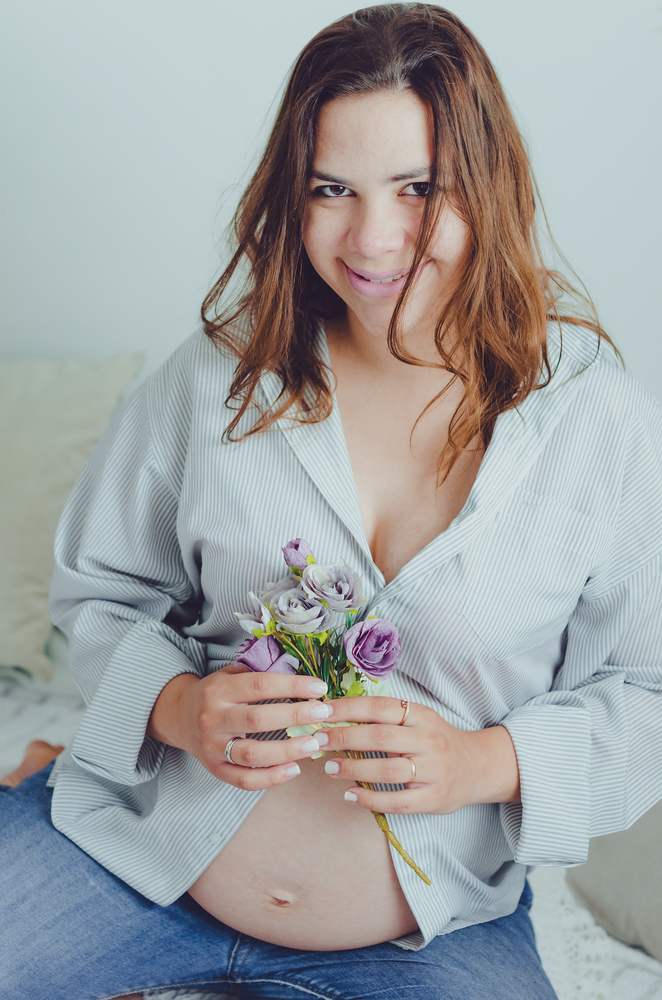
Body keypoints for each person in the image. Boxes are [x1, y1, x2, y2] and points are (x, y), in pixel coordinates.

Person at [2, 4, 661, 999]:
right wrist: (178, 709)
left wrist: (480, 763)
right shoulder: (214, 379)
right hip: (135, 860)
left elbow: (647, 690)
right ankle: (55, 773)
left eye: (417, 188)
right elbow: (101, 593)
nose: (373, 238)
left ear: (487, 184)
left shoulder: (596, 422)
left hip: (427, 936)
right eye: (331, 189)